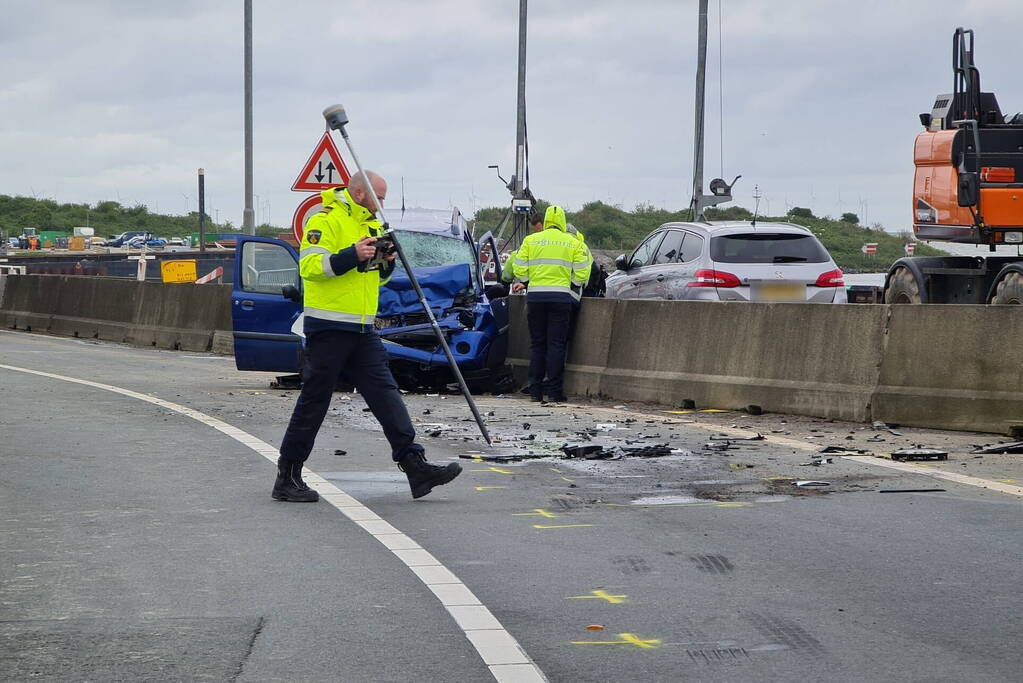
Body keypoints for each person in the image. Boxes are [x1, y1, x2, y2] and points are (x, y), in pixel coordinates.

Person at [273, 171, 462, 502]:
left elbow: (377, 280)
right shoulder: (326, 219)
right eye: (380, 197)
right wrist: (352, 255)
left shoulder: (371, 226)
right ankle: (287, 476)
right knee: (314, 401)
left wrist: (384, 262)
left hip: (362, 327)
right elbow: (311, 267)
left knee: (386, 394)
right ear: (360, 193)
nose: (383, 203)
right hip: (329, 326)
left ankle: (415, 466)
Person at [508, 206, 592, 402]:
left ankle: (535, 392)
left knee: (538, 344)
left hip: (536, 297)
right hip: (561, 297)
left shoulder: (530, 240)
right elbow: (582, 272)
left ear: (545, 221)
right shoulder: (573, 243)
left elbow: (518, 268)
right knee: (556, 345)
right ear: (562, 221)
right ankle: (554, 392)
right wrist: (573, 283)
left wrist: (528, 279)